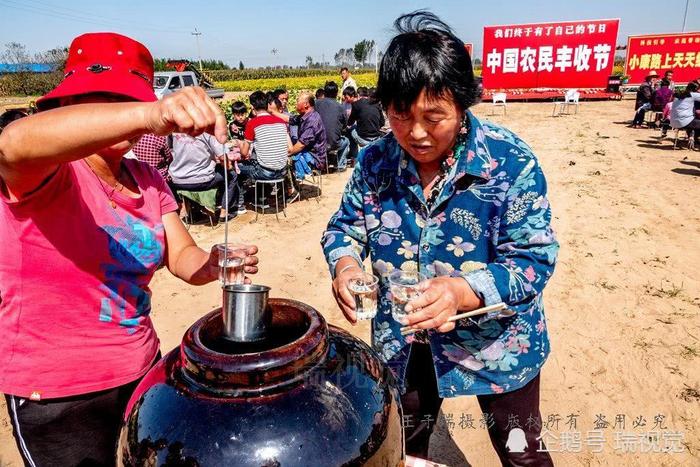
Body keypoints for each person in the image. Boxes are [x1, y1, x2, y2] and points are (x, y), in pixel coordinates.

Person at [0, 32, 258, 466]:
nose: (116, 115)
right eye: (98, 102)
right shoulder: (48, 174)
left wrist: (212, 264)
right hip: (61, 396)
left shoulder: (148, 179)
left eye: (124, 100)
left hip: (141, 368)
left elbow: (181, 256)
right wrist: (149, 112)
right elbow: (11, 144)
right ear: (64, 108)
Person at [322, 12, 558, 465]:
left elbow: (534, 260)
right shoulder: (374, 162)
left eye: (434, 117)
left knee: (522, 452)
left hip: (499, 345)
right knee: (405, 444)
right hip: (405, 341)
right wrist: (346, 265)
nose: (416, 133)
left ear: (463, 104)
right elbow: (343, 228)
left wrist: (462, 291)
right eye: (400, 115)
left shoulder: (509, 163)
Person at [169, 131, 242, 220]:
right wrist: (228, 166)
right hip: (202, 180)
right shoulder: (206, 131)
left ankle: (191, 207)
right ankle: (224, 213)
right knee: (232, 176)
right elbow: (223, 157)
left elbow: (168, 150)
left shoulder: (174, 130)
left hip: (177, 181)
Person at [239, 90, 296, 200]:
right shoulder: (280, 121)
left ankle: (242, 204)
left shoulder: (252, 123)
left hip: (265, 173)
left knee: (237, 169)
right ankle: (262, 198)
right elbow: (290, 147)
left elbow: (244, 153)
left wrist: (240, 144)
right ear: (267, 104)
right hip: (282, 171)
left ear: (252, 107)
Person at [287, 91, 327, 183]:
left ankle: (292, 186)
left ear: (305, 104)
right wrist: (273, 113)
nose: (295, 103)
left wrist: (286, 154)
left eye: (298, 101)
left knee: (289, 159)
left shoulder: (312, 120)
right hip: (308, 152)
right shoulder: (305, 116)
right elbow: (289, 119)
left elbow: (301, 145)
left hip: (314, 159)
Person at [315, 81, 350, 171]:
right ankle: (341, 166)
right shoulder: (340, 107)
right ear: (337, 93)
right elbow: (345, 125)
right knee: (346, 141)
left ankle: (322, 163)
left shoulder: (317, 103)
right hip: (333, 143)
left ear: (325, 92)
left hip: (317, 143)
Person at [667, 80, 700, 144]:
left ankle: (693, 137)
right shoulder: (693, 95)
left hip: (673, 122)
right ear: (695, 89)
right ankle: (695, 137)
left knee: (692, 120)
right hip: (685, 122)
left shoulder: (678, 95)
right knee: (693, 121)